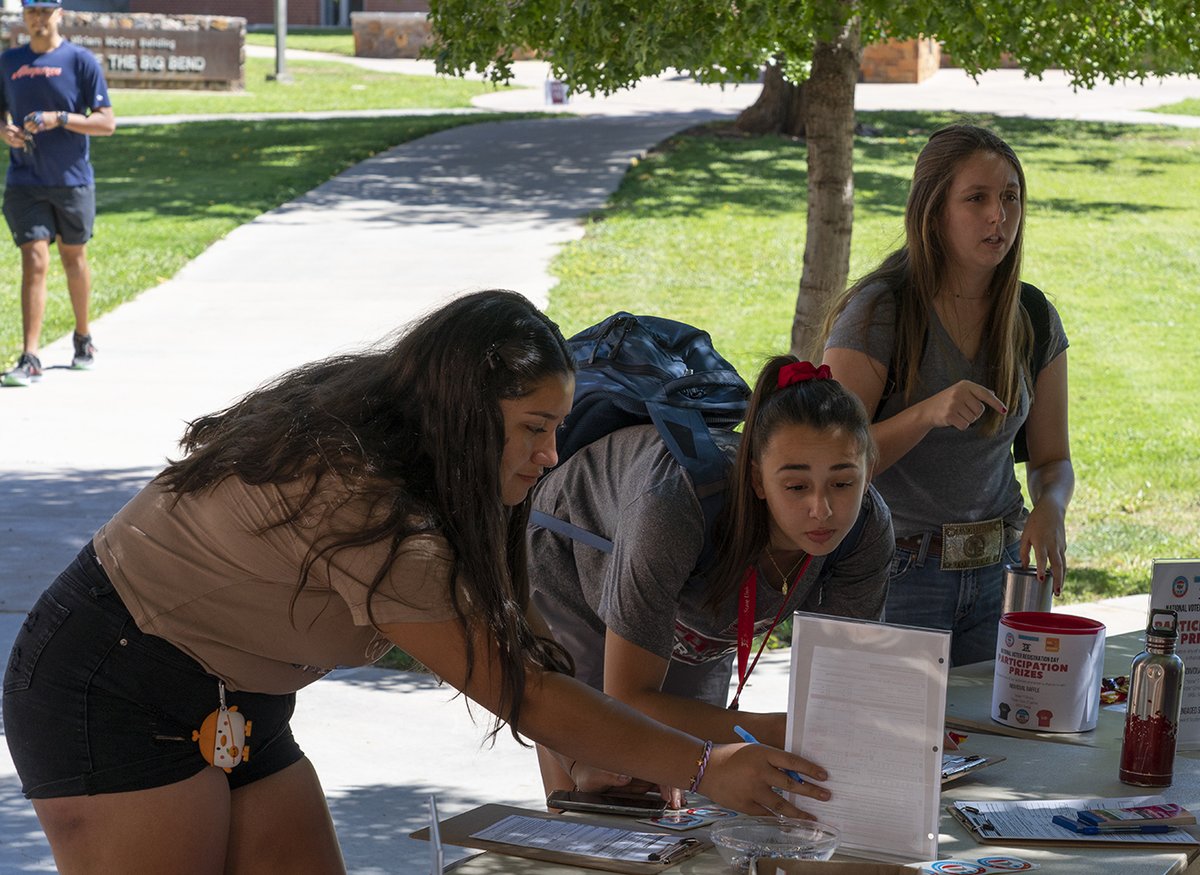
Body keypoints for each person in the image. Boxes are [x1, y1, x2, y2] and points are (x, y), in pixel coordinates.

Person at [2, 291, 828, 874]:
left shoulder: (422, 450)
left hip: (234, 690)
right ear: (469, 412)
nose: (551, 456)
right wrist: (705, 763)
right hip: (110, 678)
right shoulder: (363, 494)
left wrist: (591, 756)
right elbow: (525, 693)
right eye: (537, 430)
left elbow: (513, 660)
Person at [528, 355, 893, 797]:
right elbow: (626, 700)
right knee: (608, 783)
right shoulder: (677, 505)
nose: (823, 510)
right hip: (573, 551)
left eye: (842, 483)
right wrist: (783, 730)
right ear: (758, 481)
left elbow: (837, 698)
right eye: (796, 487)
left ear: (867, 473)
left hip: (691, 604)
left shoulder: (866, 527)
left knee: (689, 789)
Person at [822, 123, 1073, 667]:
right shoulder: (881, 309)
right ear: (933, 211)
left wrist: (1050, 506)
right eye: (976, 198)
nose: (998, 216)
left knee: (1004, 745)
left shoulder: (1031, 317)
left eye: (1010, 198)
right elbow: (832, 465)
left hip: (1002, 571)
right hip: (899, 571)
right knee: (895, 745)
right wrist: (926, 414)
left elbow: (1053, 460)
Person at [0, 0, 116, 387]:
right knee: (34, 259)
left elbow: (106, 124)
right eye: (32, 11)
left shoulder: (80, 61)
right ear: (24, 16)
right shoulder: (9, 61)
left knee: (73, 258)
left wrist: (60, 119)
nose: (38, 18)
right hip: (24, 180)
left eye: (45, 11)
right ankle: (30, 355)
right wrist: (5, 131)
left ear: (59, 14)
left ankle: (83, 339)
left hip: (71, 180)